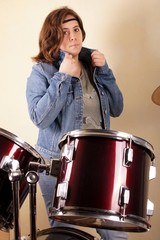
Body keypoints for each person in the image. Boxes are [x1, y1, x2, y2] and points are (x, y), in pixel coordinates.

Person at [26, 6, 128, 240]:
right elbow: (40, 119)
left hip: (99, 163)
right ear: (52, 36)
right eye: (64, 32)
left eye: (76, 29)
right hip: (57, 166)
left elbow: (117, 108)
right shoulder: (42, 71)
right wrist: (62, 77)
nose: (73, 36)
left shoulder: (94, 65)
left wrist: (106, 71)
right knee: (67, 235)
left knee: (116, 233)